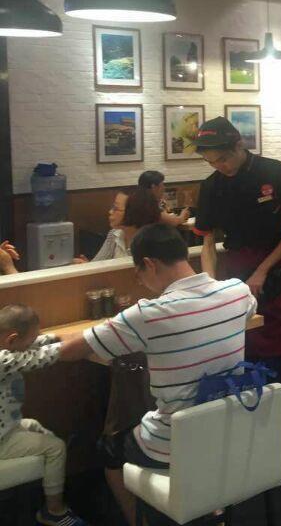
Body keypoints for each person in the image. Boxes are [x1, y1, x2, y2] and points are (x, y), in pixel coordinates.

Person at [58, 224, 257, 526]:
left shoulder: (148, 314)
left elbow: (72, 349)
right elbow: (248, 310)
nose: (139, 282)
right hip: (230, 430)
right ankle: (210, 507)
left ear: (149, 264)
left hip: (174, 443)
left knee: (109, 448)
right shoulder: (236, 291)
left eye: (138, 273)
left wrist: (49, 340)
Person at [192, 116, 281, 381]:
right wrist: (210, 287)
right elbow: (207, 243)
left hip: (274, 272)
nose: (219, 167)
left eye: (222, 159)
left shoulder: (276, 172)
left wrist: (262, 271)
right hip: (235, 277)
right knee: (241, 358)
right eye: (211, 162)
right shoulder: (211, 186)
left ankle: (279, 404)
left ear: (239, 145)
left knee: (275, 363)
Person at [0, 305, 87, 526]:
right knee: (56, 448)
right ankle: (54, 511)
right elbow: (38, 357)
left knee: (35, 426)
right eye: (28, 342)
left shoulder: (6, 346)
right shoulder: (3, 360)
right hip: (1, 438)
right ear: (11, 340)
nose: (31, 344)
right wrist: (73, 344)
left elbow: (29, 346)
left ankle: (47, 482)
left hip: (7, 425)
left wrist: (55, 336)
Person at [75, 189, 161, 263]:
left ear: (133, 213)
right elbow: (98, 263)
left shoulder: (151, 243)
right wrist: (87, 265)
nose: (110, 212)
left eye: (115, 208)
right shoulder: (114, 234)